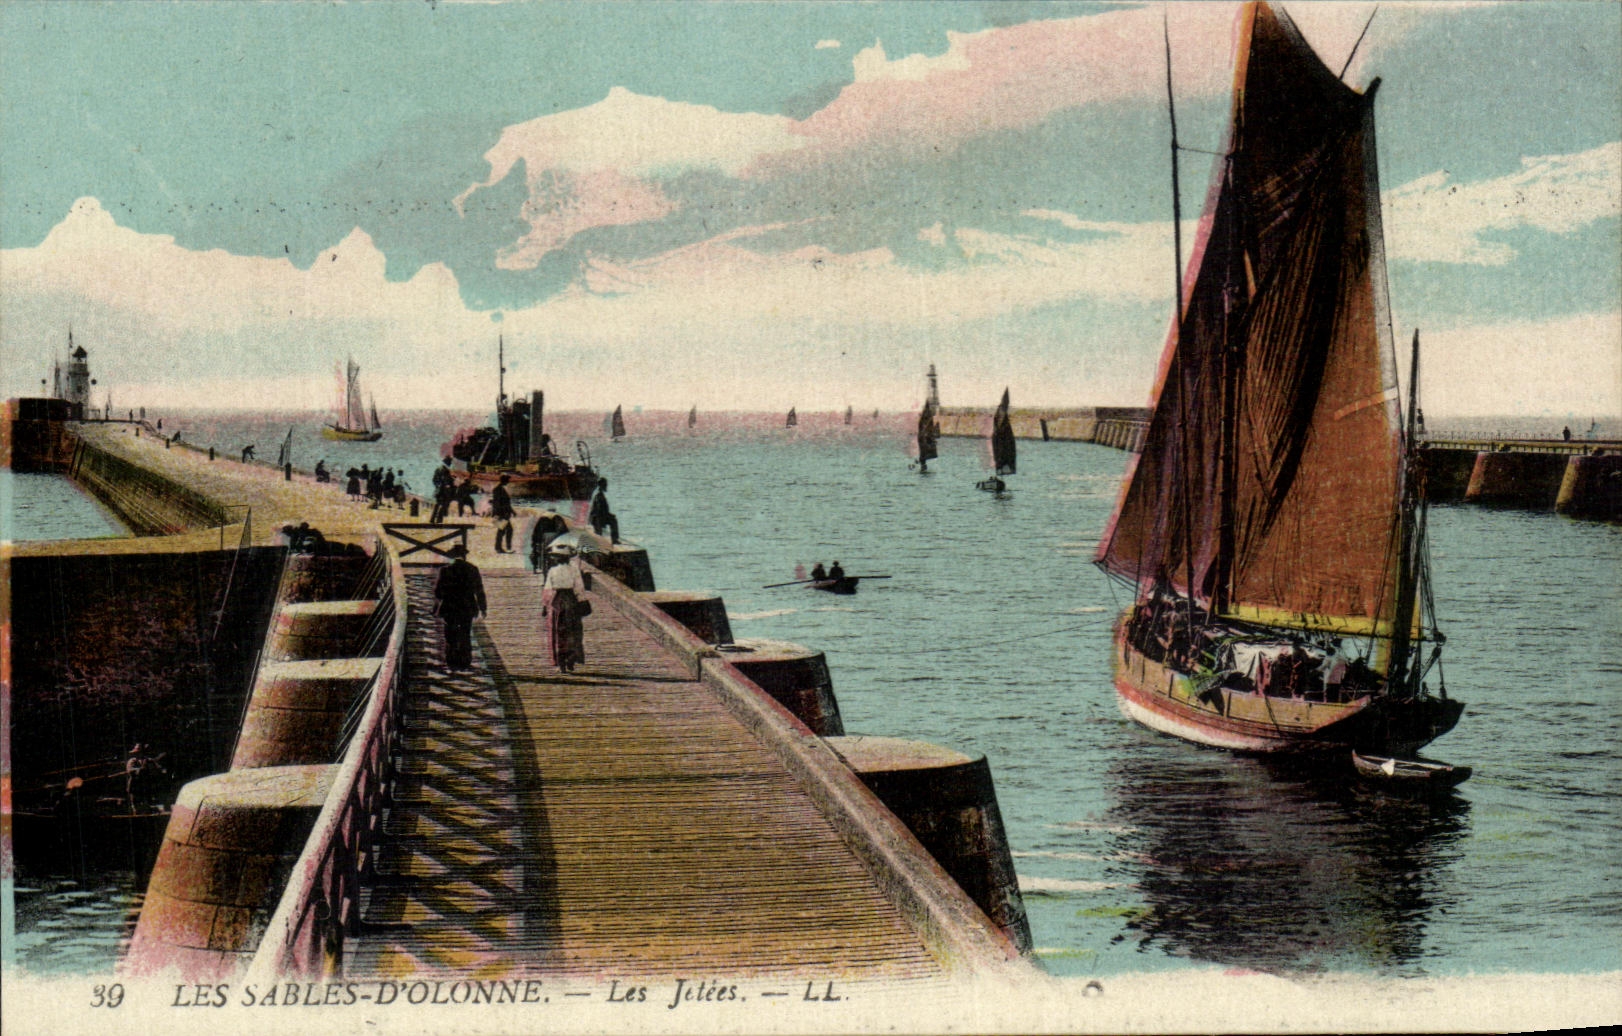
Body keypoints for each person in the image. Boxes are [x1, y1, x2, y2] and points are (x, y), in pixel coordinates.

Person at [434, 543, 486, 670]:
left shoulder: (445, 570)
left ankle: (452, 663)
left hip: (450, 608)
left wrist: (437, 606)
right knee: (465, 634)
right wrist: (483, 608)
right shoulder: (473, 569)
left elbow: (438, 592)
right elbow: (479, 591)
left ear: (452, 556)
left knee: (450, 635)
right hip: (467, 608)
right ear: (464, 556)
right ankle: (465, 662)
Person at [541, 548, 587, 673]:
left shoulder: (552, 571)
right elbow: (579, 588)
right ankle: (571, 659)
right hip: (571, 601)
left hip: (557, 601)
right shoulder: (574, 570)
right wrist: (582, 601)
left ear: (557, 558)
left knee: (558, 632)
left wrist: (545, 605)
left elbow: (548, 589)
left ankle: (561, 662)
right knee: (573, 632)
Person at [589, 477, 619, 543]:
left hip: (598, 516)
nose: (606, 486)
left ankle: (614, 539)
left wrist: (609, 515)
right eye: (605, 485)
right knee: (613, 521)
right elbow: (600, 510)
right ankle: (614, 540)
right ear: (602, 485)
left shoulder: (598, 492)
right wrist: (609, 515)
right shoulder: (598, 494)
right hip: (597, 518)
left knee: (613, 519)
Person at [490, 474, 515, 552]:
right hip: (502, 514)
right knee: (506, 530)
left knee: (503, 530)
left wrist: (512, 511)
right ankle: (505, 547)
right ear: (504, 481)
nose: (508, 482)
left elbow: (505, 503)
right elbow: (498, 503)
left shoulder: (499, 489)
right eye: (507, 480)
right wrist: (501, 514)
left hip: (503, 513)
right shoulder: (498, 490)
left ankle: (500, 547)